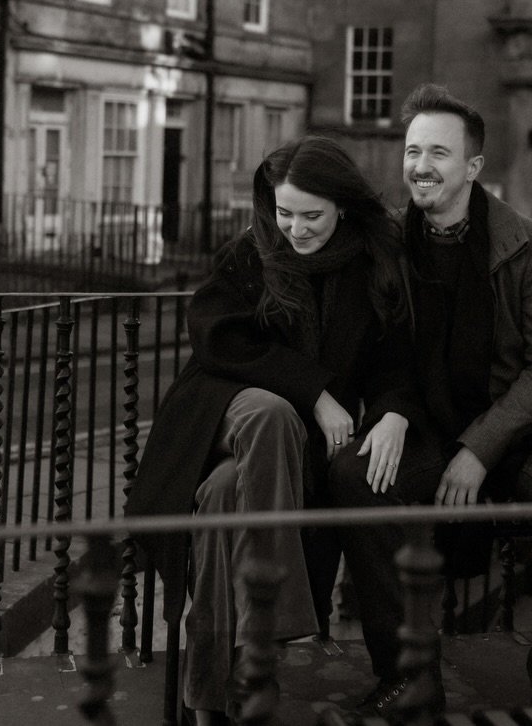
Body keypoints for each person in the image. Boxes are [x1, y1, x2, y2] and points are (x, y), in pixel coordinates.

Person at [329, 83, 532, 716]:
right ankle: (410, 675)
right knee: (358, 475)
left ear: (474, 167)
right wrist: (394, 412)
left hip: (527, 424)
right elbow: (379, 349)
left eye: (438, 153)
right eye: (412, 151)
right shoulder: (389, 246)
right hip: (430, 419)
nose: (420, 166)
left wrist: (480, 450)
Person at [127, 135, 417, 726]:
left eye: (311, 215)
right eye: (285, 213)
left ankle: (213, 701)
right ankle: (281, 613)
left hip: (278, 453)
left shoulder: (376, 262)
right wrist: (315, 394)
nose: (296, 229)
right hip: (225, 406)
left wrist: (391, 411)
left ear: (343, 206)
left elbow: (395, 358)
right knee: (273, 412)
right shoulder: (250, 253)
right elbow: (217, 338)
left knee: (219, 502)